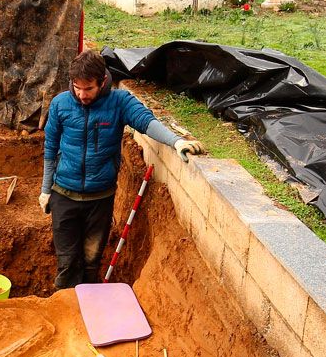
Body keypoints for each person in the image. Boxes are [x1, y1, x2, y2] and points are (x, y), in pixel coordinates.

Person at [39, 50, 204, 289]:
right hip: (64, 195)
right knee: (67, 261)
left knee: (91, 259)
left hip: (100, 198)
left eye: (89, 89)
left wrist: (176, 141)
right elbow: (50, 149)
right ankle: (66, 304)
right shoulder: (60, 104)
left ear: (103, 81)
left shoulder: (119, 102)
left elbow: (146, 122)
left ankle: (88, 306)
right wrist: (46, 190)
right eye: (77, 88)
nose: (82, 95)